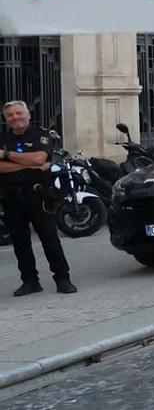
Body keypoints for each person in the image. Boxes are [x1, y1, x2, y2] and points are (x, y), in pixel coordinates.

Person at [0, 101, 72, 295]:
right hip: (11, 198)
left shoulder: (41, 135)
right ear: (6, 119)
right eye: (10, 115)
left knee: (49, 238)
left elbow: (40, 159)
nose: (15, 117)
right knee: (20, 242)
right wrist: (28, 164)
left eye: (18, 113)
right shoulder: (3, 138)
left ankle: (62, 279)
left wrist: (7, 155)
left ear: (28, 114)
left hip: (37, 195)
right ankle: (30, 281)